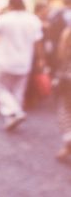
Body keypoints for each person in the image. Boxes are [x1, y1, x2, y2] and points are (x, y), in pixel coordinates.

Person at [0, 0, 44, 131]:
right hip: (24, 60)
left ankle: (14, 113)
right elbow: (38, 42)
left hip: (4, 60)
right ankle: (12, 116)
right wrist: (41, 58)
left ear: (10, 5)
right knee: (18, 91)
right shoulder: (33, 19)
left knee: (0, 89)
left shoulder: (3, 19)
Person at [55, 25, 71, 162]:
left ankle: (68, 144)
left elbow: (62, 54)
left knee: (66, 109)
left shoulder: (68, 31)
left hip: (69, 76)